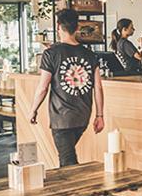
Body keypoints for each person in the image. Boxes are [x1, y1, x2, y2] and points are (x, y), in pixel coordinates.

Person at [28, 9, 105, 167]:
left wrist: (33, 109)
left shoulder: (51, 54)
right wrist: (99, 115)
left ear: (58, 27)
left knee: (67, 162)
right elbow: (98, 87)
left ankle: (78, 190)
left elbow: (43, 87)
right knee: (68, 157)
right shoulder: (90, 55)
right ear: (77, 27)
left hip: (61, 118)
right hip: (83, 116)